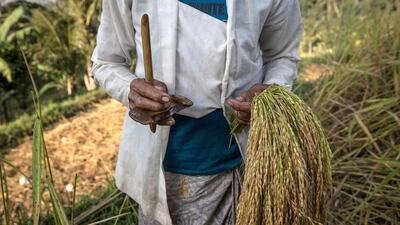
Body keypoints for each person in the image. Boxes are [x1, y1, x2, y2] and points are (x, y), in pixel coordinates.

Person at [91, 0, 302, 224]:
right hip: (163, 169)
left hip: (245, 166)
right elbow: (106, 62)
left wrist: (269, 94)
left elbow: (282, 56)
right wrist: (130, 90)